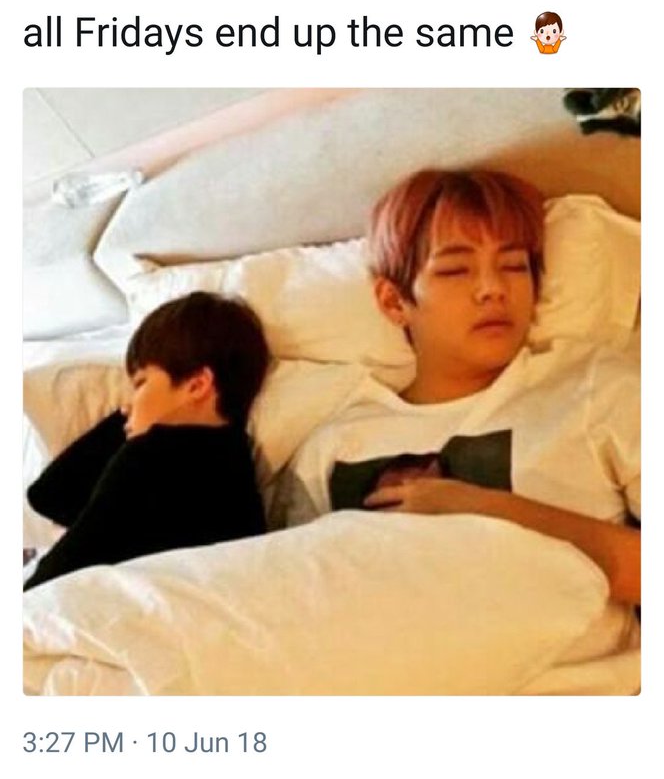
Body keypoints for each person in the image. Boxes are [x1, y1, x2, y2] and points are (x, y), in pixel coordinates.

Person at [282, 168, 640, 605]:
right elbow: (291, 603)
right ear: (394, 302)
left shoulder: (597, 389)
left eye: (514, 266)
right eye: (455, 270)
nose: (493, 289)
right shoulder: (332, 447)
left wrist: (488, 510)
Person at [24, 292, 270, 591]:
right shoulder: (237, 466)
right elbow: (51, 498)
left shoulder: (151, 458)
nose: (127, 404)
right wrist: (133, 420)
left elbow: (50, 575)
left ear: (197, 385)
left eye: (141, 383)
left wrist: (133, 430)